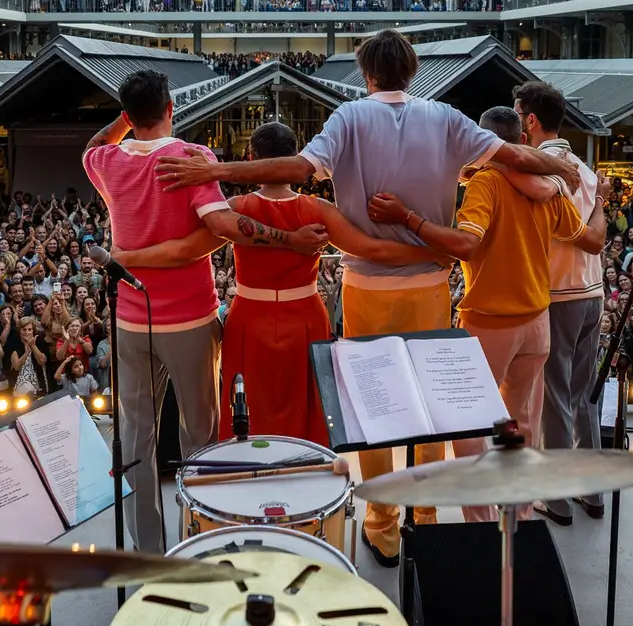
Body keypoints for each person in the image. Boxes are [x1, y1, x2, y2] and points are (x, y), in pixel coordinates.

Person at [156, 29, 578, 565]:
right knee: (430, 409)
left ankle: (383, 523)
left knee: (375, 409)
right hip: (429, 283)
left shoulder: (349, 118)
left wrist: (216, 170)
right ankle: (425, 515)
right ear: (413, 69)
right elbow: (515, 155)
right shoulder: (447, 118)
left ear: (366, 74)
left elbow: (296, 170)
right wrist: (561, 166)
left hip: (366, 287)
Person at [84, 69, 329, 552]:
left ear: (129, 117)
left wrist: (126, 116)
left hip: (130, 321)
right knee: (200, 436)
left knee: (134, 439)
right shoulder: (190, 158)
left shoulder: (104, 161)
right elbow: (224, 224)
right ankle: (204, 540)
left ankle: (149, 551)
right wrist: (291, 240)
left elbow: (96, 141)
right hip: (189, 320)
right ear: (171, 108)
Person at [117, 120, 450, 445]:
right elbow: (373, 249)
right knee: (307, 412)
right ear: (292, 159)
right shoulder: (319, 210)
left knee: (248, 413)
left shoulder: (236, 208)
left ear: (251, 158)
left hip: (250, 318)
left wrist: (126, 257)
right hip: (305, 316)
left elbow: (186, 250)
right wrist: (430, 252)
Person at [369, 105, 606, 522]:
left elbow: (465, 245)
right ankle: (518, 514)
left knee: (468, 424)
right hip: (538, 322)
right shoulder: (549, 187)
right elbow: (592, 241)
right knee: (523, 423)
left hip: (490, 321)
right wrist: (600, 200)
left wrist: (406, 217)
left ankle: (479, 523)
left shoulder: (488, 184)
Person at [512, 82, 607, 525]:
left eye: (517, 117)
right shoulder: (586, 169)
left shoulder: (549, 170)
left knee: (555, 397)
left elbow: (541, 200)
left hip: (559, 293)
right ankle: (591, 491)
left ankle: (558, 499)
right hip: (593, 292)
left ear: (530, 120)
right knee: (583, 395)